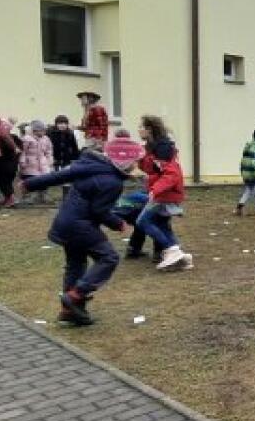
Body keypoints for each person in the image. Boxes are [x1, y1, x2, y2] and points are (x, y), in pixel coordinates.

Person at [23, 132, 141, 326]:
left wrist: (29, 184)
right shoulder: (113, 182)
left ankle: (69, 312)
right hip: (80, 226)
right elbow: (99, 211)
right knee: (109, 257)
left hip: (65, 222)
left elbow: (58, 176)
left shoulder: (91, 167)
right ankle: (76, 295)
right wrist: (119, 224)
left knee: (76, 264)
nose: (136, 166)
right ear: (125, 163)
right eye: (134, 162)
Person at [136, 116, 192, 271]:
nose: (138, 130)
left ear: (149, 129)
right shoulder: (153, 146)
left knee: (143, 221)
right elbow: (151, 169)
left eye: (141, 127)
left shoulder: (163, 148)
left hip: (165, 194)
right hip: (164, 193)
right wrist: (140, 158)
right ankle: (180, 256)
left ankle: (171, 250)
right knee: (162, 224)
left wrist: (155, 190)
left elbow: (171, 174)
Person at [18, 120, 55, 205]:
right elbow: (23, 151)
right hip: (30, 163)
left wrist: (50, 160)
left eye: (44, 130)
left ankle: (43, 195)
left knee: (44, 179)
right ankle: (28, 197)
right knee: (30, 179)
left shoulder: (46, 139)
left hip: (43, 163)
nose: (43, 132)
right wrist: (22, 161)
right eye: (41, 130)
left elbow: (49, 150)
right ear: (35, 130)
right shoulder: (27, 139)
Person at [236, 128, 255, 216]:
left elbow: (244, 160)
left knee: (248, 190)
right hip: (254, 174)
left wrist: (243, 172)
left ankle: (239, 208)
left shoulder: (248, 146)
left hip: (246, 173)